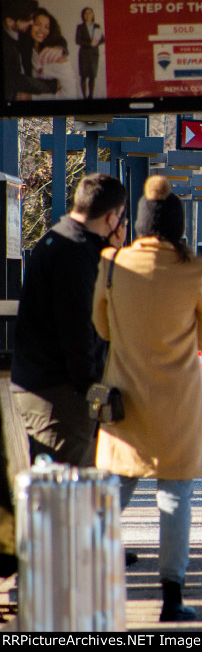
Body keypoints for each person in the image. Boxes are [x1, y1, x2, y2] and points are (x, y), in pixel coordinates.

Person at [92, 175, 202, 623]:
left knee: (113, 489)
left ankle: (89, 576)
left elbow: (102, 328)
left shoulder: (112, 265)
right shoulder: (195, 270)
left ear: (140, 224)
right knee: (175, 497)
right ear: (179, 226)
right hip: (178, 405)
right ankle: (172, 597)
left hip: (125, 401)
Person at [12, 173, 127, 468]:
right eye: (121, 218)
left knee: (59, 491)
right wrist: (92, 390)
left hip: (45, 386)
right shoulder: (75, 254)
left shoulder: (58, 239)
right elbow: (77, 328)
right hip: (62, 396)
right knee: (67, 495)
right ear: (112, 216)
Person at [1, 0, 61, 100]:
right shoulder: (6, 45)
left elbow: (55, 34)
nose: (32, 23)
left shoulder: (23, 30)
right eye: (28, 19)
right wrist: (50, 86)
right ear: (10, 21)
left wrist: (60, 48)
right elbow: (15, 80)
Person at [22, 8, 74, 100]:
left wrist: (32, 97)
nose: (42, 30)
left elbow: (70, 96)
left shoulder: (57, 58)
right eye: (38, 24)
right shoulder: (27, 46)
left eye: (47, 27)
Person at [75, 7, 103, 99]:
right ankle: (84, 97)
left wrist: (96, 42)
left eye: (90, 13)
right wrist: (89, 43)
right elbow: (78, 40)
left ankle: (90, 96)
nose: (88, 15)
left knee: (92, 76)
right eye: (86, 13)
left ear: (93, 14)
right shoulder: (80, 27)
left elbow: (103, 39)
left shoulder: (97, 26)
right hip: (84, 54)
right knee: (83, 76)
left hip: (94, 54)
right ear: (83, 16)